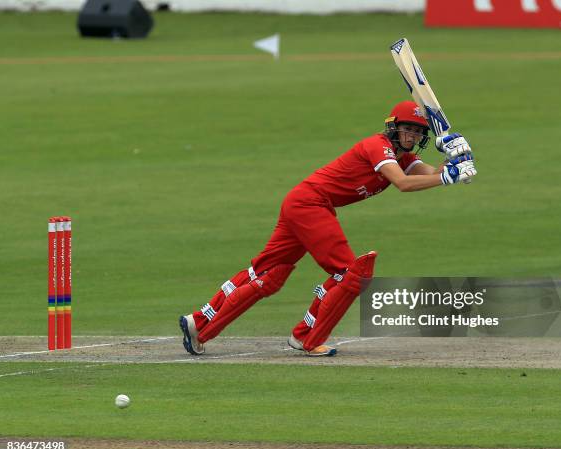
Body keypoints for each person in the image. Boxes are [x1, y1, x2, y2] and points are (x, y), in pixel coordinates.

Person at [179, 100, 476, 357]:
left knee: (269, 274)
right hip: (311, 204)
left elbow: (429, 175)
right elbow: (403, 183)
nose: (411, 135)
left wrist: (457, 160)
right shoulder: (378, 146)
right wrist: (447, 176)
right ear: (393, 128)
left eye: (417, 131)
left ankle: (199, 325)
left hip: (304, 202)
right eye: (407, 128)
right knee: (351, 274)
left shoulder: (404, 157)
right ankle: (307, 338)